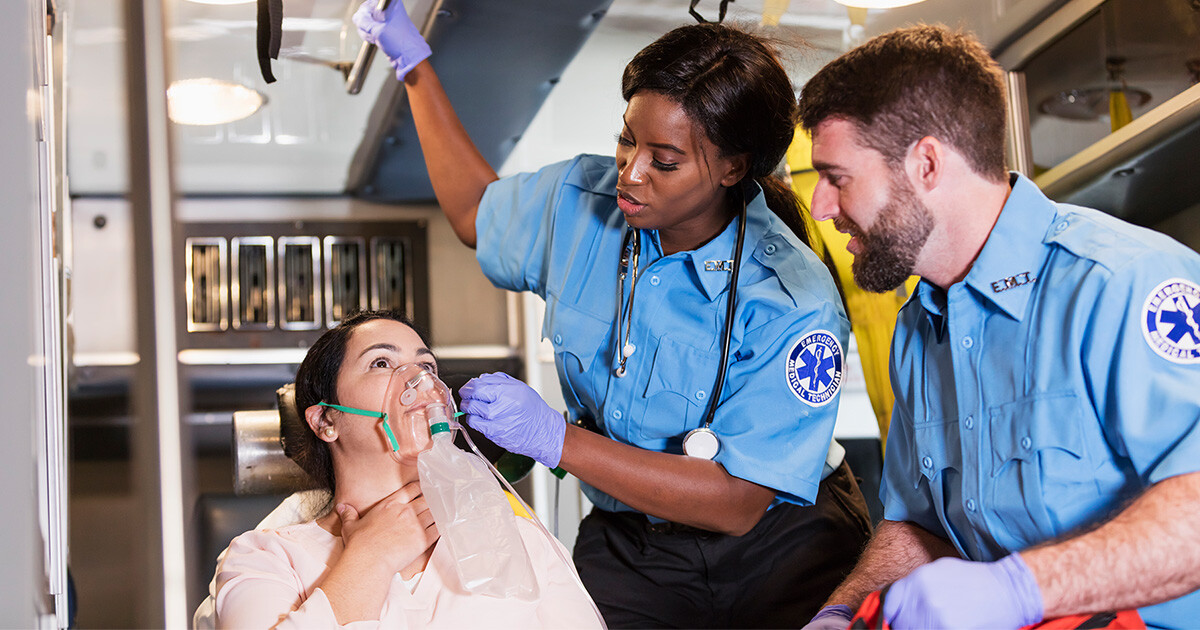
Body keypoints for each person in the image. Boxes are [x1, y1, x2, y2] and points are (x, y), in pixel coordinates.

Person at [355, 6, 873, 628]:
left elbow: (737, 500)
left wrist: (556, 439)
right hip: (632, 543)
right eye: (627, 138)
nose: (629, 173)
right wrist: (414, 68)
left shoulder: (795, 301)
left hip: (783, 546)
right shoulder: (580, 204)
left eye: (665, 159)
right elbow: (473, 212)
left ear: (733, 168)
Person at [796, 25, 1200, 630]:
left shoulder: (1124, 282)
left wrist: (1017, 589)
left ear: (925, 163)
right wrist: (844, 612)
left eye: (838, 177)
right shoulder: (916, 329)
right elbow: (919, 524)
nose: (822, 207)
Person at [209, 310, 601, 628]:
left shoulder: (516, 540)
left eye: (427, 366)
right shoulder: (266, 558)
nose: (420, 381)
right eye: (382, 362)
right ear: (326, 421)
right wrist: (373, 555)